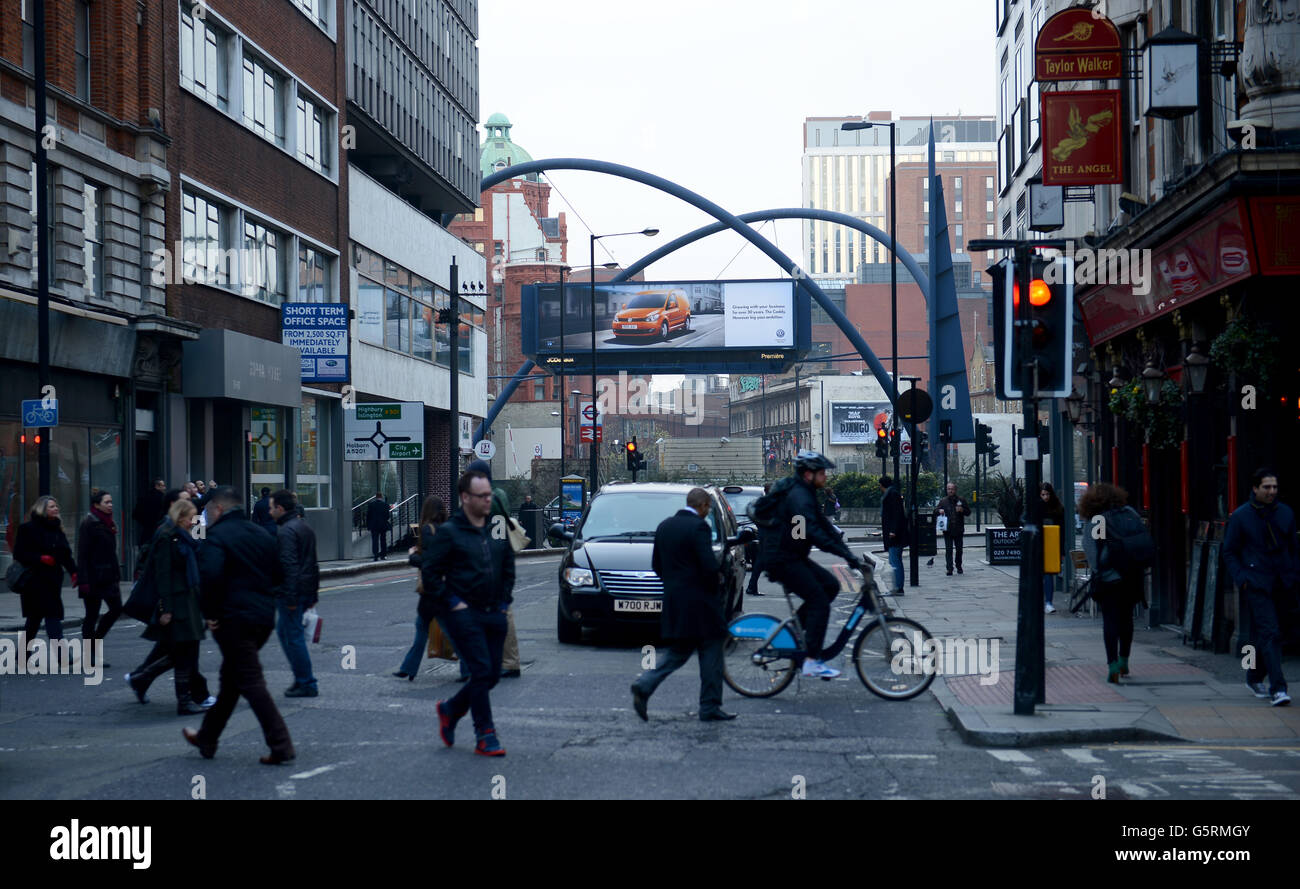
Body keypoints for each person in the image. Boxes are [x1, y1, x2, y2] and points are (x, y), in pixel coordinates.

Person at [181, 486, 294, 765]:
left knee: (251, 680)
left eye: (207, 511)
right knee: (232, 680)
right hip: (263, 618)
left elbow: (210, 577)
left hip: (233, 620)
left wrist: (211, 613)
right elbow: (279, 575)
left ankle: (281, 744)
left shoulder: (216, 537)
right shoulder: (262, 534)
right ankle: (207, 737)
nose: (205, 516)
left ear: (219, 509)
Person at [420, 470, 515, 757]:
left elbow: (508, 567)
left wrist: (503, 603)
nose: (489, 500)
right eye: (482, 496)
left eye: (490, 495)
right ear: (465, 498)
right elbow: (430, 573)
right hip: (464, 614)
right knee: (481, 671)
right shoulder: (449, 533)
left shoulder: (496, 530)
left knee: (491, 675)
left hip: (494, 612)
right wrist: (452, 602)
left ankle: (450, 710)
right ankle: (485, 734)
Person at [631, 488, 735, 722]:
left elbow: (656, 564)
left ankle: (645, 684)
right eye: (708, 508)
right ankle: (709, 706)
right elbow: (708, 566)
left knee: (679, 652)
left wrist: (674, 584)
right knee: (711, 651)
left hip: (674, 600)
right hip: (701, 602)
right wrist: (716, 583)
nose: (707, 512)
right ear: (704, 506)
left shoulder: (665, 526)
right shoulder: (699, 527)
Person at [760, 450, 864, 679]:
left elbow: (823, 527)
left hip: (793, 556)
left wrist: (847, 552)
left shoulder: (806, 493)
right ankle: (811, 660)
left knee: (831, 586)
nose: (825, 476)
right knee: (819, 601)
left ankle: (798, 629)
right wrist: (844, 555)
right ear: (808, 474)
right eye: (822, 472)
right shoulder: (799, 496)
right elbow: (812, 531)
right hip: (782, 560)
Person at [125, 498, 214, 715]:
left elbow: (201, 547)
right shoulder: (167, 535)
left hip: (190, 599)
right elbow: (163, 575)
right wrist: (166, 608)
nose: (195, 520)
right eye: (191, 516)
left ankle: (141, 679)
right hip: (177, 601)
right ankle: (187, 699)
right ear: (180, 514)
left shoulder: (185, 534)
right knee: (184, 653)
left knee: (182, 652)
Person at [1224, 468, 1296, 707]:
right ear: (1255, 488)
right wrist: (1242, 577)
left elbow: (1293, 547)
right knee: (1270, 633)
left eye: (1274, 487)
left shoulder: (1286, 513)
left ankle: (1253, 675)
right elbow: (1230, 551)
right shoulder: (1241, 516)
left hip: (1283, 581)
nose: (1272, 491)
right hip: (1256, 582)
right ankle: (1279, 689)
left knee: (1276, 633)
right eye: (1267, 487)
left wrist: (1294, 572)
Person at [1078, 483, 1144, 684]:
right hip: (1131, 576)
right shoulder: (1129, 513)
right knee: (1127, 619)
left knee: (1110, 621)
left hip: (1109, 579)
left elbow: (1092, 552)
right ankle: (1124, 660)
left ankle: (1112, 665)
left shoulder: (1096, 521)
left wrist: (1100, 571)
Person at [467, 459, 524, 678]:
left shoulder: (489, 497)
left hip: (492, 557)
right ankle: (502, 660)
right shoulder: (499, 494)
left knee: (501, 612)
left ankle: (508, 662)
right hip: (498, 555)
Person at [395, 496, 459, 681]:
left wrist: (413, 556)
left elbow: (430, 561)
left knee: (444, 630)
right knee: (425, 628)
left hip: (434, 590)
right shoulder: (445, 530)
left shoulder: (428, 530)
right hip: (441, 587)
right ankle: (408, 668)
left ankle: (472, 666)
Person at [271, 489, 319, 698]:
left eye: (272, 507)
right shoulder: (304, 527)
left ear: (280, 508)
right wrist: (313, 594)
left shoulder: (286, 531)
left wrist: (290, 597)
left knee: (293, 637)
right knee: (285, 632)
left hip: (292, 593)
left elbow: (289, 566)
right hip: (305, 589)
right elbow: (312, 563)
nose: (270, 511)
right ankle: (302, 679)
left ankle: (306, 682)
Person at [13, 495, 77, 648]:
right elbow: (19, 554)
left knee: (38, 619)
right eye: (52, 506)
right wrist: (40, 558)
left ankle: (23, 654)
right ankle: (62, 654)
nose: (56, 509)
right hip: (33, 581)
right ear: (42, 509)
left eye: (56, 506)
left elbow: (66, 555)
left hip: (52, 580)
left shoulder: (57, 529)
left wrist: (74, 572)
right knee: (44, 618)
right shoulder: (27, 529)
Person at [76, 489, 123, 664]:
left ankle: (95, 642)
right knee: (91, 615)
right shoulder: (89, 523)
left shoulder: (108, 523)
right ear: (96, 505)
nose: (110, 505)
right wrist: (83, 580)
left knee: (117, 609)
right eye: (106, 502)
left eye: (111, 502)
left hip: (109, 575)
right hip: (94, 577)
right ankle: (90, 655)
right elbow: (82, 554)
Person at [933, 482, 972, 577]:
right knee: (948, 550)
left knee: (959, 549)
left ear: (955, 490)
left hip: (958, 529)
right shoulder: (943, 501)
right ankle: (949, 568)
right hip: (948, 529)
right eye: (948, 489)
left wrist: (962, 510)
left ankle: (959, 565)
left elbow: (968, 512)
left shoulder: (961, 500)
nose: (950, 491)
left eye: (952, 489)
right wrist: (939, 511)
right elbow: (935, 511)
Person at [1039, 483, 1066, 613]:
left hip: (1052, 546)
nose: (1045, 497)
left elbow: (1062, 532)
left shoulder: (1058, 509)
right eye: (1043, 494)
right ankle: (1045, 601)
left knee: (1048, 574)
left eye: (1047, 494)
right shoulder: (1037, 508)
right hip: (1039, 546)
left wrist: (1062, 551)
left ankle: (1048, 602)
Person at [879, 475, 907, 595]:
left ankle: (898, 588)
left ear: (882, 485)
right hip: (894, 533)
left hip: (895, 535)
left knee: (895, 561)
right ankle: (897, 587)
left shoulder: (892, 494)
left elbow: (897, 514)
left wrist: (893, 531)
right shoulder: (892, 493)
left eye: (880, 485)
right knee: (895, 561)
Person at [745, 483, 771, 598]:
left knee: (759, 563)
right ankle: (751, 587)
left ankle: (752, 586)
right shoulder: (769, 502)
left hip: (763, 534)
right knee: (760, 562)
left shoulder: (762, 502)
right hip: (767, 536)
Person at [132, 478, 166, 553]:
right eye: (163, 486)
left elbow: (136, 514)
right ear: (157, 486)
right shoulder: (163, 499)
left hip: (147, 529)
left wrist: (146, 522)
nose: (164, 488)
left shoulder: (144, 497)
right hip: (158, 528)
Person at [366, 492, 391, 561]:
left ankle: (376, 555)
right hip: (383, 525)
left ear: (375, 497)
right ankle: (383, 555)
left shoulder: (371, 505)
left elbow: (368, 516)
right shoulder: (385, 505)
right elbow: (387, 516)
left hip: (374, 525)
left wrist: (368, 525)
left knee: (375, 540)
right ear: (381, 497)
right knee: (383, 540)